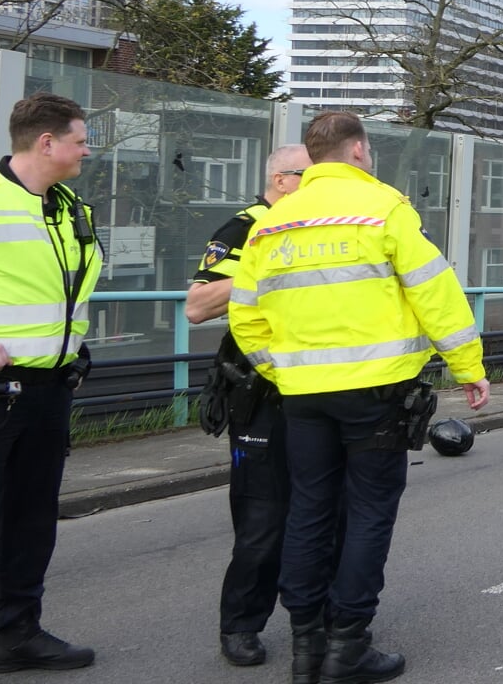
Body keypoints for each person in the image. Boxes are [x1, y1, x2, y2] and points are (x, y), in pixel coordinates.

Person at [228, 112, 487, 684]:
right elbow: (434, 292)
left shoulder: (272, 223)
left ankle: (305, 648)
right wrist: (468, 366)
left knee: (309, 512)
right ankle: (349, 644)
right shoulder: (385, 209)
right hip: (376, 392)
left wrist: (283, 369)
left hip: (302, 397)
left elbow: (244, 314)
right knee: (368, 513)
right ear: (358, 151)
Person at [0, 93, 98, 672]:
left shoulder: (69, 207)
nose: (87, 150)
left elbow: (58, 295)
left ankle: (17, 634)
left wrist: (74, 352)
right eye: (81, 140)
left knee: (31, 523)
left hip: (47, 392)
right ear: (46, 142)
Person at [186, 143, 310, 668]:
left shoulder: (319, 227)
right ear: (282, 180)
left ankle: (318, 617)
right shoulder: (246, 227)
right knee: (263, 517)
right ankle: (240, 624)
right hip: (260, 393)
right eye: (312, 176)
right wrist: (267, 271)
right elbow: (197, 304)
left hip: (314, 387)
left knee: (323, 511)